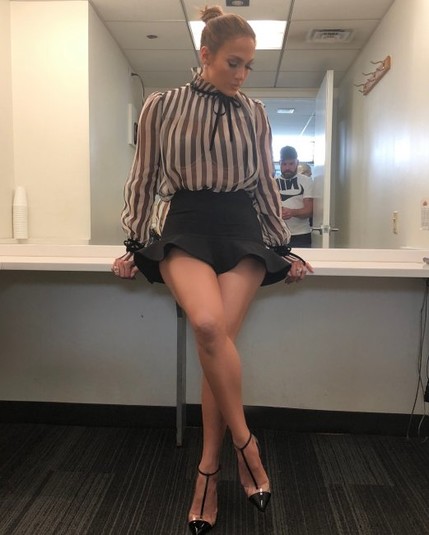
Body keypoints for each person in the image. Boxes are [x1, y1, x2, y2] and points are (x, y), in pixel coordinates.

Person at [112, 5, 313, 534]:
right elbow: (143, 176)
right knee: (207, 326)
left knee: (216, 342)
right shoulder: (161, 105)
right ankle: (247, 446)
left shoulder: (255, 112)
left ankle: (207, 471)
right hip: (186, 224)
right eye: (233, 63)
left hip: (241, 228)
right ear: (205, 55)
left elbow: (265, 183)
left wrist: (283, 245)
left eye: (248, 65)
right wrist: (135, 240)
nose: (242, 75)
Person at [276, 146, 314, 248]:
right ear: (279, 163)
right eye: (284, 164)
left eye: (291, 163)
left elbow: (309, 210)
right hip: (278, 235)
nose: (287, 168)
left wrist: (292, 212)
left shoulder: (306, 181)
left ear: (297, 162)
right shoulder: (272, 183)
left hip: (301, 235)